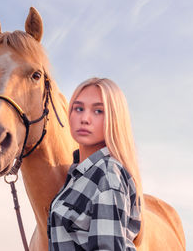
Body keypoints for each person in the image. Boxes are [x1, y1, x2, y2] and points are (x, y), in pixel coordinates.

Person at [47, 78, 144, 250]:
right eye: (79, 108)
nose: (85, 118)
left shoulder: (106, 174)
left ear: (114, 119)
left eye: (98, 111)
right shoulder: (79, 175)